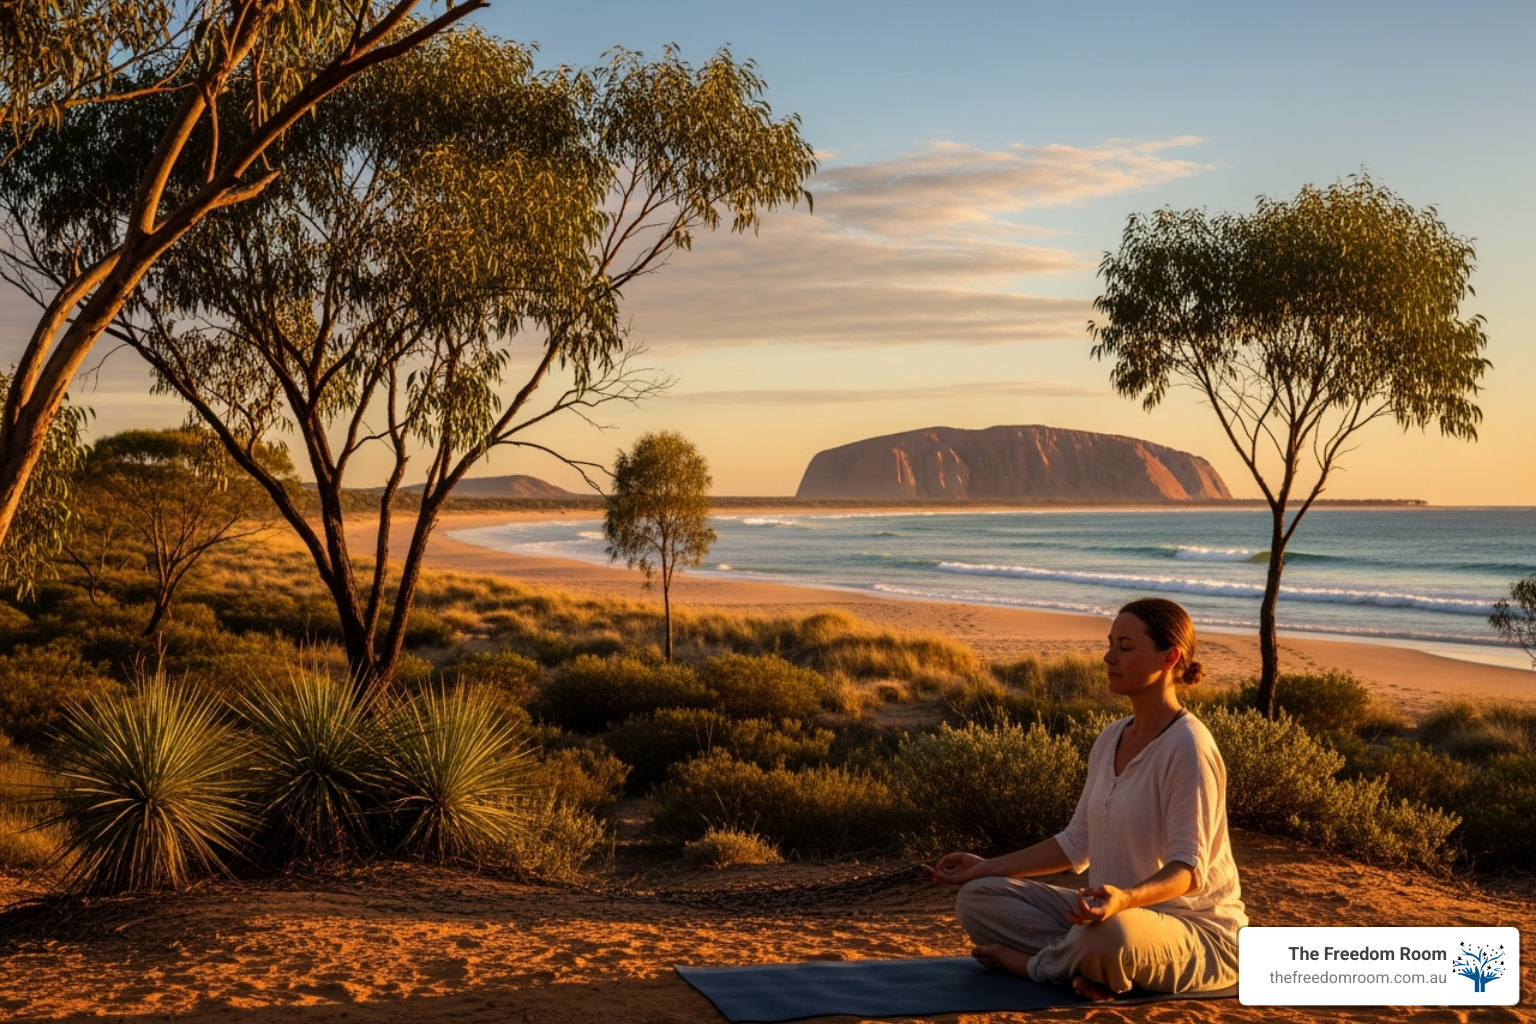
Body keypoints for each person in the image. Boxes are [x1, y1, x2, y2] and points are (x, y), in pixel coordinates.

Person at [923, 597, 1246, 1001]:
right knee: (979, 898)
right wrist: (985, 867)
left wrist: (1126, 899)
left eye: (1125, 647)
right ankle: (1088, 964)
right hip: (1108, 917)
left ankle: (1035, 965)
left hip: (1196, 934)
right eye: (1110, 644)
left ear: (1169, 658)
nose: (1109, 657)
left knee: (1113, 935)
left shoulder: (1188, 746)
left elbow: (1188, 871)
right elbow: (1077, 843)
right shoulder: (1111, 737)